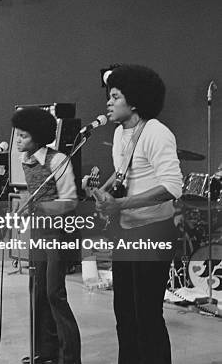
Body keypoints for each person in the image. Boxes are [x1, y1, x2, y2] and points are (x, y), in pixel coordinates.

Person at [95, 65, 182, 364]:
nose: (108, 102)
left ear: (134, 101)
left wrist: (120, 205)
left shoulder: (157, 132)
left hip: (154, 231)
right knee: (125, 314)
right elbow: (122, 173)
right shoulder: (121, 133)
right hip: (127, 233)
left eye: (115, 96)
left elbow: (172, 187)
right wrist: (102, 190)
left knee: (147, 314)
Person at [11, 107, 81, 364]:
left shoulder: (58, 160)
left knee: (54, 293)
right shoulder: (26, 160)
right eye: (17, 135)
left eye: (23, 136)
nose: (17, 140)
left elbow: (70, 201)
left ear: (39, 137)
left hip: (60, 231)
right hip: (39, 230)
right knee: (38, 290)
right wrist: (25, 211)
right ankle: (45, 353)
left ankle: (70, 358)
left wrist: (39, 208)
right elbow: (35, 195)